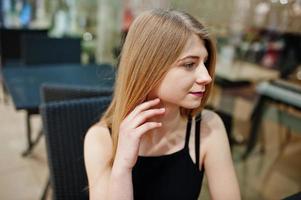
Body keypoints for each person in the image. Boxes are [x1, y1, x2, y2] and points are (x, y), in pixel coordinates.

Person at [84, 9, 241, 200]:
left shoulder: (208, 127)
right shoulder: (100, 140)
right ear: (149, 68)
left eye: (204, 62)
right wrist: (123, 167)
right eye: (189, 64)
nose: (206, 77)